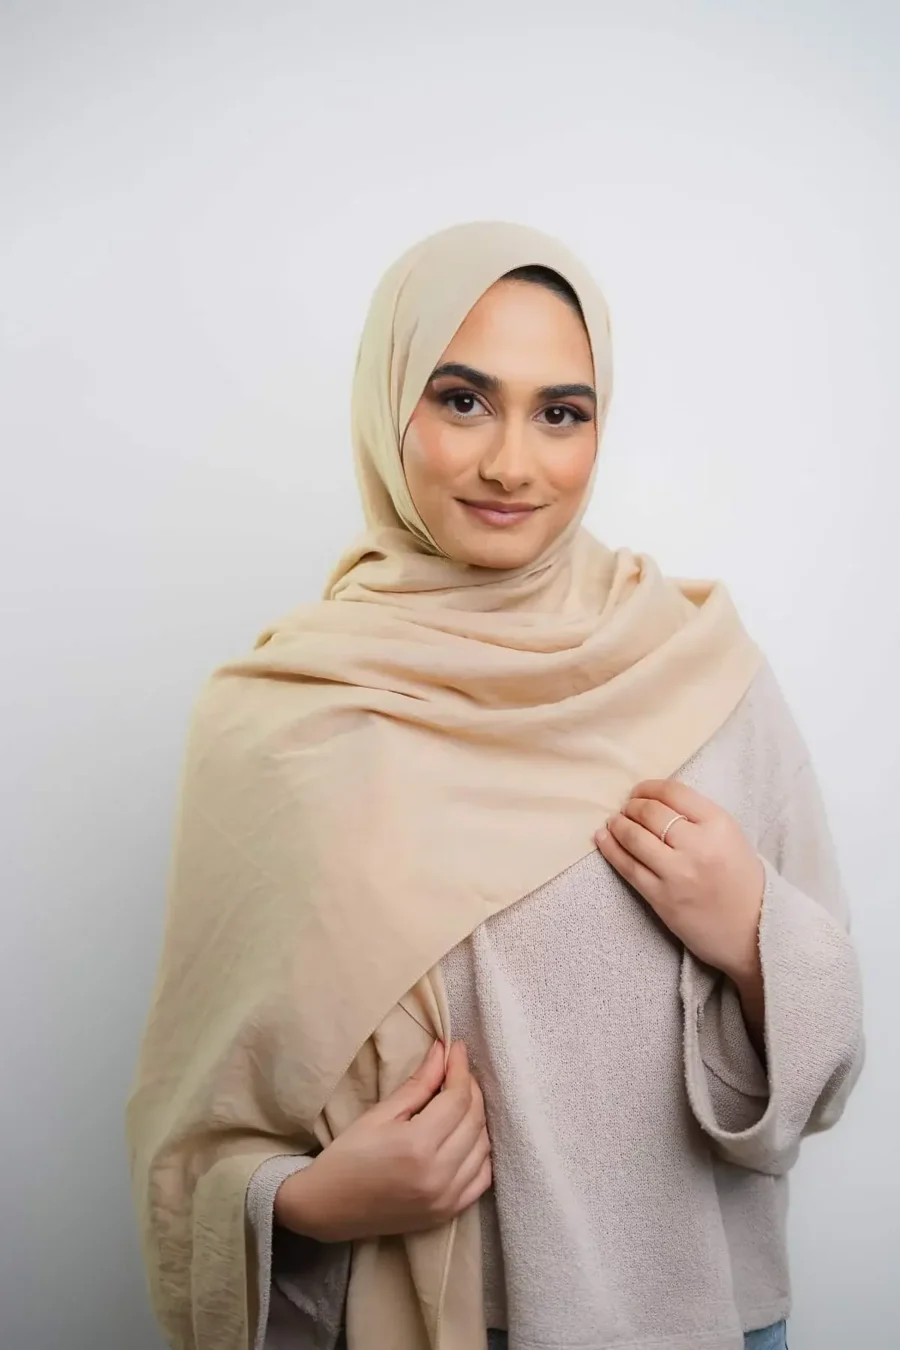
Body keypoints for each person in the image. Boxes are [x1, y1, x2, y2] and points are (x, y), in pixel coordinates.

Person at [126, 222, 864, 1350]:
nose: (512, 464)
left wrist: (756, 935)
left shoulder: (701, 673)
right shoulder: (280, 721)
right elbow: (198, 1134)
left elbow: (830, 1065)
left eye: (560, 413)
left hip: (705, 1322)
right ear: (389, 406)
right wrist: (309, 1202)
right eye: (463, 400)